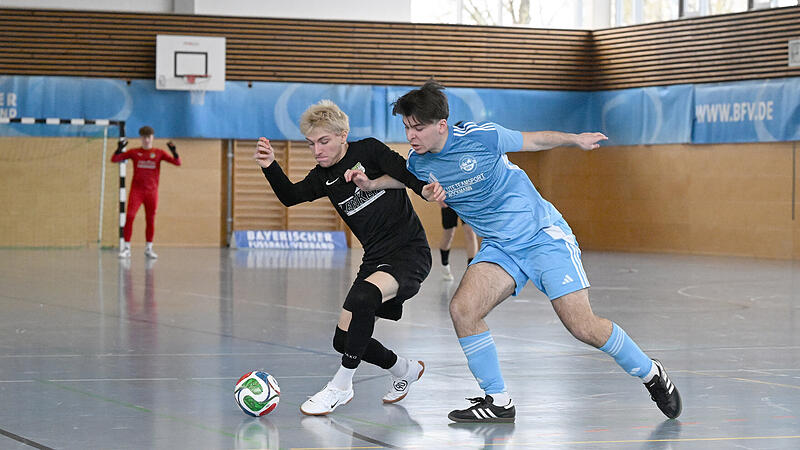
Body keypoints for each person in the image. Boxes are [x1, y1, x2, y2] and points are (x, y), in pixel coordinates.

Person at [351, 80, 682, 423]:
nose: (411, 136)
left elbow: (534, 139)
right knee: (463, 309)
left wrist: (575, 139)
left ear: (441, 126)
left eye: (418, 128)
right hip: (500, 249)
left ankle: (649, 372)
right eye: (407, 128)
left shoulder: (481, 137)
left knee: (582, 326)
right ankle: (498, 400)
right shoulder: (418, 164)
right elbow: (407, 180)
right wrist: (372, 184)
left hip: (542, 237)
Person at [253, 100, 445, 416]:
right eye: (311, 144)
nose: (317, 150)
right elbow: (290, 197)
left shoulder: (369, 151)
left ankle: (341, 386)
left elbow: (404, 173)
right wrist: (270, 165)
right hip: (375, 260)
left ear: (343, 135)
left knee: (365, 298)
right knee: (343, 340)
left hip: (409, 253)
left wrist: (424, 189)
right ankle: (404, 370)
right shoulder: (322, 177)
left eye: (323, 141)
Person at [111, 126, 181, 259]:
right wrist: (119, 149)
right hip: (137, 192)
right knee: (130, 216)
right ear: (140, 138)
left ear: (152, 138)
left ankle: (149, 248)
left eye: (149, 137)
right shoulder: (134, 152)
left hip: (152, 193)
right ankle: (126, 248)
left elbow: (177, 163)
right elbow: (114, 159)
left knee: (150, 219)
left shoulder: (159, 153)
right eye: (144, 137)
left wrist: (174, 152)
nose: (146, 140)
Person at [438, 205, 478, 281]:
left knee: (471, 233)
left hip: (465, 202)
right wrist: (441, 201)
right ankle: (445, 264)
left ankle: (471, 270)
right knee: (448, 235)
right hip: (449, 202)